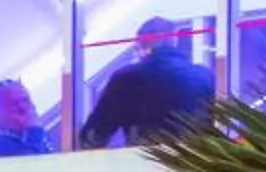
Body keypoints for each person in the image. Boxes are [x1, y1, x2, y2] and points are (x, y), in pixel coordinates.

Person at [78, 17, 214, 148]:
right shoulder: (205, 76)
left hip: (146, 164)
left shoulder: (127, 77)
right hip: (193, 165)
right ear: (174, 40)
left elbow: (94, 135)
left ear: (143, 42)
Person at [0, 77, 53, 158]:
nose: (22, 107)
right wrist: (34, 131)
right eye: (13, 103)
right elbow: (32, 165)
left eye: (25, 100)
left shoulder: (28, 123)